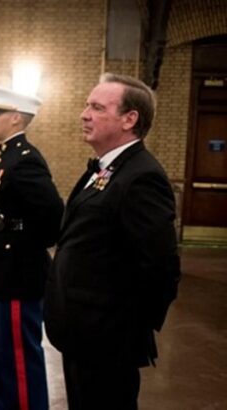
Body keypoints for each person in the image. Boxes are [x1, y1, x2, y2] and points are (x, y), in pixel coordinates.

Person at [44, 73, 180, 409]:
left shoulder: (141, 177)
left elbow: (161, 268)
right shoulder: (109, 169)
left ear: (129, 119)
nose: (83, 114)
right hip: (83, 335)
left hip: (106, 341)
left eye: (96, 107)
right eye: (87, 105)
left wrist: (124, 329)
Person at [0, 87, 63, 410]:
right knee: (3, 347)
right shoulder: (8, 156)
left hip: (20, 268)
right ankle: (4, 403)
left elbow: (53, 212)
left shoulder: (26, 160)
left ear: (15, 118)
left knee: (19, 351)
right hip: (4, 264)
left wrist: (28, 243)